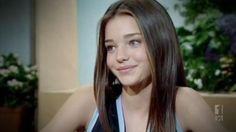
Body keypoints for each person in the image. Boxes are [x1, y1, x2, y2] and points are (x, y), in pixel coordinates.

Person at [41, 0, 227, 132]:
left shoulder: (183, 102)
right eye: (110, 47)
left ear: (160, 43)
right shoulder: (89, 99)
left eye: (134, 42)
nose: (120, 56)